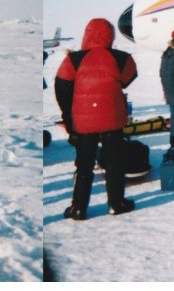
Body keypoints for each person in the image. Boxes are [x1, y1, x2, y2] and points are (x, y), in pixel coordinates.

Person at [55, 16, 139, 218]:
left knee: (83, 165)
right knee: (114, 163)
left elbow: (61, 87)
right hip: (112, 119)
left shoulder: (73, 59)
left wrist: (69, 117)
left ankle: (78, 208)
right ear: (111, 35)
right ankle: (116, 203)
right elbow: (128, 78)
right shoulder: (122, 58)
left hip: (83, 123)